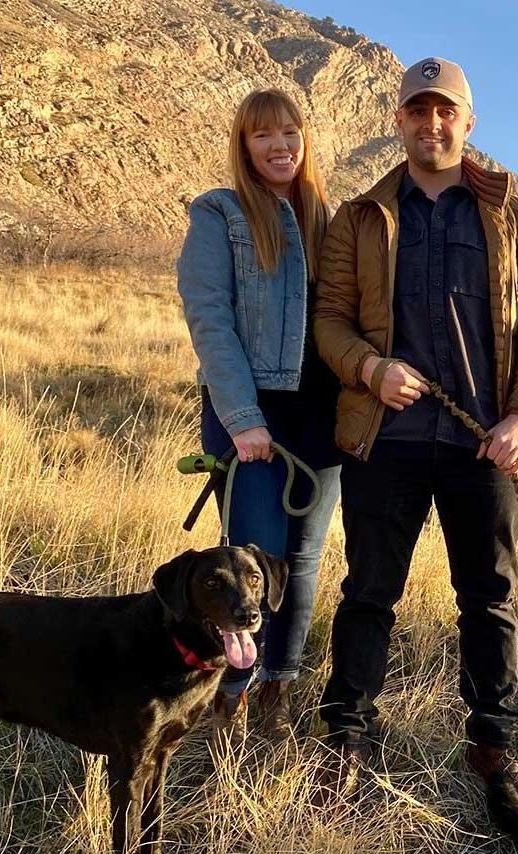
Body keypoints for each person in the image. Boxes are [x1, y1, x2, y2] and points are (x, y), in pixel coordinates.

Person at [314, 57, 518, 839]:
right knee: (368, 595)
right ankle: (348, 739)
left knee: (489, 600)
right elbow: (329, 320)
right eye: (418, 112)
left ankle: (492, 748)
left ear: (468, 122)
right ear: (399, 121)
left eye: (445, 111)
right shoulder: (361, 216)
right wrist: (369, 367)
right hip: (383, 437)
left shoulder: (511, 213)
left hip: (481, 445)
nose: (432, 125)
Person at [177, 88, 341, 740]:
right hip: (252, 416)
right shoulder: (220, 214)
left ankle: (280, 686)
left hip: (319, 419)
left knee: (301, 562)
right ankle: (232, 696)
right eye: (262, 135)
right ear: (244, 145)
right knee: (251, 564)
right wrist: (244, 419)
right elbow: (210, 320)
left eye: (289, 133)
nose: (279, 146)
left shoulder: (329, 220)